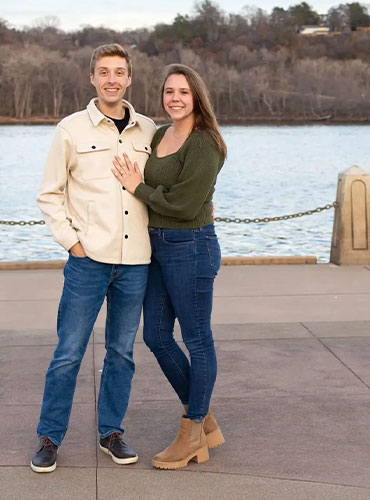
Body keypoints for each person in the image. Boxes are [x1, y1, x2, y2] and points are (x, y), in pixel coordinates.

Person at [32, 43, 156, 473]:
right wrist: (72, 243)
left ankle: (111, 433)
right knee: (69, 352)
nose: (112, 80)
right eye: (104, 72)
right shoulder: (70, 130)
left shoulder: (149, 131)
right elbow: (49, 194)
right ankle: (50, 437)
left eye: (119, 72)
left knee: (122, 352)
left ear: (130, 79)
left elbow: (161, 190)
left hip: (136, 261)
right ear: (92, 78)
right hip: (89, 260)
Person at [111, 63, 227, 470]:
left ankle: (192, 429)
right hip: (158, 246)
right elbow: (169, 195)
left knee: (197, 339)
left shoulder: (206, 143)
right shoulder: (160, 135)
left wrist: (138, 187)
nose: (174, 98)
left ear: (197, 97)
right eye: (168, 92)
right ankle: (204, 417)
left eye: (183, 92)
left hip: (192, 247)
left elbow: (185, 204)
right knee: (157, 337)